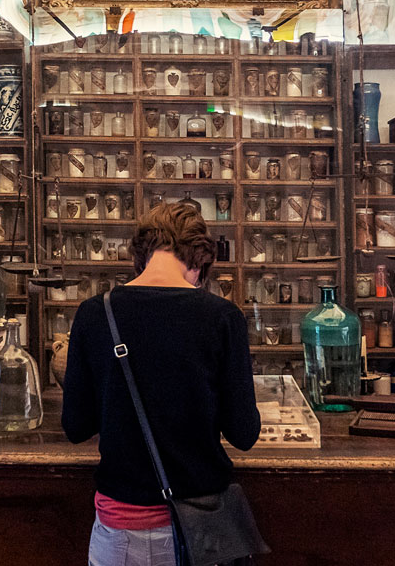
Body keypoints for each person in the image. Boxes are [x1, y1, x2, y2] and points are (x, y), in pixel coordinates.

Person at [62, 202, 260, 566]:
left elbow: (75, 427)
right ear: (199, 263)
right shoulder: (222, 317)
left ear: (141, 255)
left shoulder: (94, 313)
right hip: (201, 531)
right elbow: (244, 433)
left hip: (120, 528)